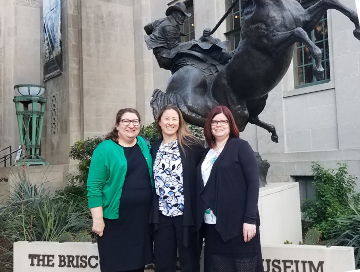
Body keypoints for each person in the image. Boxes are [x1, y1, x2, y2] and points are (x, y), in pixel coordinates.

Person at [196, 106, 264, 272]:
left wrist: (250, 219)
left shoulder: (240, 147)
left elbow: (253, 183)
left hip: (238, 225)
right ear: (209, 125)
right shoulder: (206, 153)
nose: (219, 125)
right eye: (215, 121)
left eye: (223, 121)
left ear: (230, 124)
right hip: (212, 226)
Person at [87, 108, 153, 272]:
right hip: (114, 222)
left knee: (137, 265)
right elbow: (94, 187)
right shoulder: (104, 149)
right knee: (114, 265)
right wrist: (97, 219)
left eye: (135, 121)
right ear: (117, 125)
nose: (131, 125)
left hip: (141, 220)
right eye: (126, 121)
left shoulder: (144, 145)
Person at [150, 104, 205, 272]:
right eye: (166, 118)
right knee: (163, 262)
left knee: (189, 261)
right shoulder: (154, 147)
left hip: (185, 215)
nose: (170, 122)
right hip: (162, 215)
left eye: (175, 119)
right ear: (159, 122)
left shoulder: (192, 146)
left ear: (180, 122)